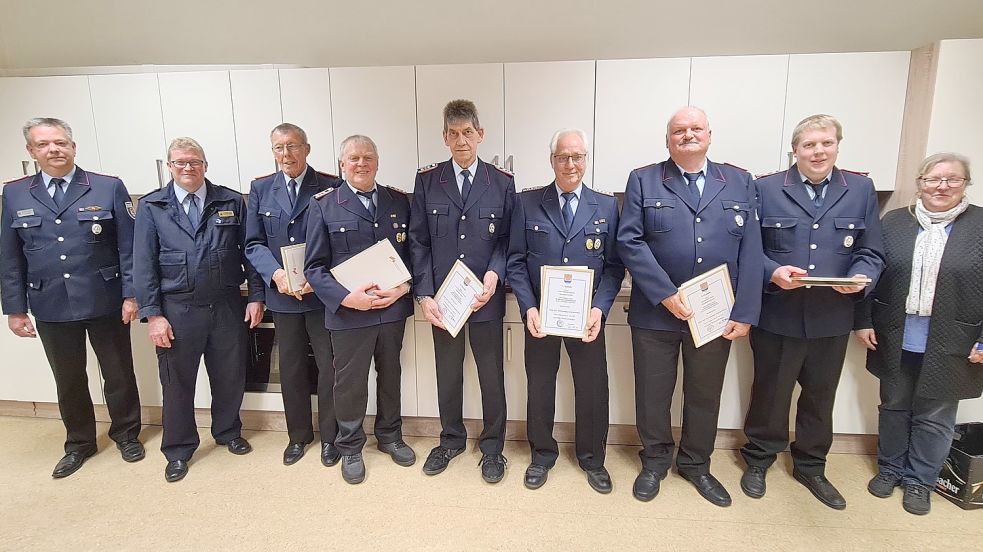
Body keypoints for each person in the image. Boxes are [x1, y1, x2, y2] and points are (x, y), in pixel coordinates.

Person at [617, 107, 763, 507]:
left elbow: (751, 249)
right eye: (679, 131)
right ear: (668, 140)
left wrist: (746, 312)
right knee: (653, 392)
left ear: (710, 135)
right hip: (656, 312)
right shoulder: (643, 180)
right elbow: (629, 240)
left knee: (704, 392)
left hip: (716, 314)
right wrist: (664, 292)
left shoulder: (738, 181)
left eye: (695, 128)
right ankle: (655, 462)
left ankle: (697, 464)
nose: (687, 135)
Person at [740, 114, 885, 510]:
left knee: (820, 397)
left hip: (832, 316)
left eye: (826, 143)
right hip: (778, 314)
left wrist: (861, 275)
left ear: (838, 145)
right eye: (809, 145)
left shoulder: (859, 189)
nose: (818, 151)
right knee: (770, 393)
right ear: (795, 150)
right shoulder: (766, 188)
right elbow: (752, 250)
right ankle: (759, 458)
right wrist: (774, 272)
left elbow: (872, 251)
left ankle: (811, 465)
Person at [0, 117, 144, 478]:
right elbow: (10, 255)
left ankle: (127, 434)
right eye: (44, 144)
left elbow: (129, 248)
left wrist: (131, 295)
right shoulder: (15, 193)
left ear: (73, 146)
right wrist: (15, 309)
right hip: (50, 302)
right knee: (68, 378)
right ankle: (79, 443)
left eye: (61, 142)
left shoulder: (106, 187)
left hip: (105, 298)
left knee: (119, 373)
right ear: (31, 151)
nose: (54, 149)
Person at [855, 152, 983, 515]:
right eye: (933, 179)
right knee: (893, 406)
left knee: (936, 416)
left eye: (952, 179)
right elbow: (871, 272)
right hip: (895, 332)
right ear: (920, 184)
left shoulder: (980, 225)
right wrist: (863, 319)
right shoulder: (895, 222)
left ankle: (920, 482)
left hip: (956, 339)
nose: (942, 186)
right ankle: (890, 469)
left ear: (965, 185)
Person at [133, 137, 265, 482]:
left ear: (205, 165)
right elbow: (142, 264)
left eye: (194, 162)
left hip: (225, 305)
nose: (188, 168)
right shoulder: (153, 206)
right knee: (177, 383)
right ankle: (178, 449)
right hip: (177, 309)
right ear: (169, 166)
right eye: (180, 163)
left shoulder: (232, 201)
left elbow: (249, 251)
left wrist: (256, 296)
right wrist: (153, 314)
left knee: (229, 375)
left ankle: (228, 432)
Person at [506, 128, 623, 493]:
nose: (570, 164)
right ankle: (542, 455)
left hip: (586, 317)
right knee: (540, 385)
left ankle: (592, 458)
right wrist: (528, 308)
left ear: (586, 159)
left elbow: (615, 266)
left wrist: (599, 310)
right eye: (563, 157)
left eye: (577, 156)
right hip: (541, 316)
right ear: (552, 160)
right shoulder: (527, 203)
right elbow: (515, 261)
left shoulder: (605, 206)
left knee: (592, 387)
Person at [409, 99, 515, 483]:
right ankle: (451, 439)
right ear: (444, 137)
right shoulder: (426, 181)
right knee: (447, 373)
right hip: (443, 302)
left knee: (491, 375)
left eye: (467, 132)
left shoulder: (501, 182)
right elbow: (418, 243)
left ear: (480, 134)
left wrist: (494, 275)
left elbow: (507, 240)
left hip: (484, 298)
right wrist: (424, 294)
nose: (461, 140)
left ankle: (492, 448)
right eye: (453, 134)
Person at [304, 135, 416, 485]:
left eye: (368, 157)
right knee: (349, 383)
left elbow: (413, 255)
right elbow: (314, 268)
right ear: (342, 164)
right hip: (348, 314)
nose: (361, 163)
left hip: (391, 310)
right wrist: (345, 298)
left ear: (377, 161)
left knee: (391, 375)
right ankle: (350, 445)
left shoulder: (399, 201)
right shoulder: (324, 205)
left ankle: (390, 436)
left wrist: (403, 288)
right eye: (354, 158)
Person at [245, 123, 342, 466]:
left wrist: (321, 277)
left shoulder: (331, 185)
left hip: (320, 296)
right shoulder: (260, 189)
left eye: (292, 146)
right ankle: (298, 436)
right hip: (282, 294)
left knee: (330, 368)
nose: (286, 154)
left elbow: (340, 241)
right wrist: (276, 275)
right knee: (291, 368)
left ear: (307, 148)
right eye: (278, 148)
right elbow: (253, 243)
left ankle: (332, 438)